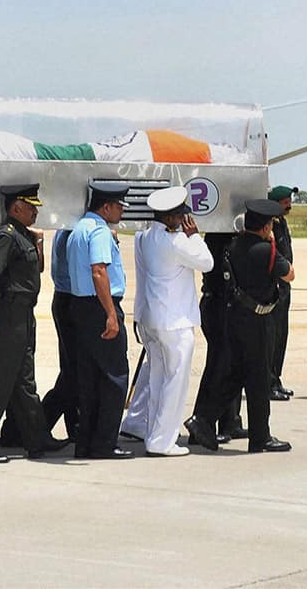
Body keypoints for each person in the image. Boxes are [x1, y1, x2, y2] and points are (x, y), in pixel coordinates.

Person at [0, 184, 69, 463]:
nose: (36, 211)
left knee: (23, 381)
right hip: (8, 317)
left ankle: (36, 439)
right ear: (16, 207)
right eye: (31, 206)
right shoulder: (7, 237)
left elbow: (38, 268)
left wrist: (40, 242)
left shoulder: (23, 235)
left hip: (23, 316)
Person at [185, 199, 295, 453]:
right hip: (257, 319)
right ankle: (259, 437)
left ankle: (203, 419)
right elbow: (289, 273)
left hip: (235, 317)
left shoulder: (233, 246)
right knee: (258, 379)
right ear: (267, 227)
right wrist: (273, 246)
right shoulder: (265, 250)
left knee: (237, 375)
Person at [119, 187, 213, 457]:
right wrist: (194, 235)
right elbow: (207, 262)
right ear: (172, 217)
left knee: (159, 380)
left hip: (152, 319)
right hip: (175, 322)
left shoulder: (145, 238)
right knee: (175, 382)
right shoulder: (177, 242)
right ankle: (162, 441)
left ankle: (154, 435)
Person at [67, 182, 133, 459]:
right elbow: (99, 272)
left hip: (79, 306)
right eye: (118, 206)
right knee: (114, 377)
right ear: (106, 207)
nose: (121, 212)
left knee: (89, 378)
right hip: (99, 306)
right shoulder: (99, 232)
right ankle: (105, 442)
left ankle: (86, 442)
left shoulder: (78, 229)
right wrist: (110, 314)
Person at [190, 232, 247, 446]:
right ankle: (201, 422)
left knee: (228, 365)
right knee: (219, 367)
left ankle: (229, 421)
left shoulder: (223, 239)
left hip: (221, 305)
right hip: (219, 306)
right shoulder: (221, 241)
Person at [39, 229, 79, 439]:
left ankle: (75, 425)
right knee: (73, 373)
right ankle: (40, 424)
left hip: (65, 299)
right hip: (71, 300)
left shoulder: (65, 231)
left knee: (73, 370)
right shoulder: (71, 233)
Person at [267, 185, 298, 401]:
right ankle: (268, 383)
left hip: (284, 287)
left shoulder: (281, 222)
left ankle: (276, 379)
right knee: (272, 337)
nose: (289, 205)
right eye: (285, 201)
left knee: (281, 337)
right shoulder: (270, 225)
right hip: (275, 287)